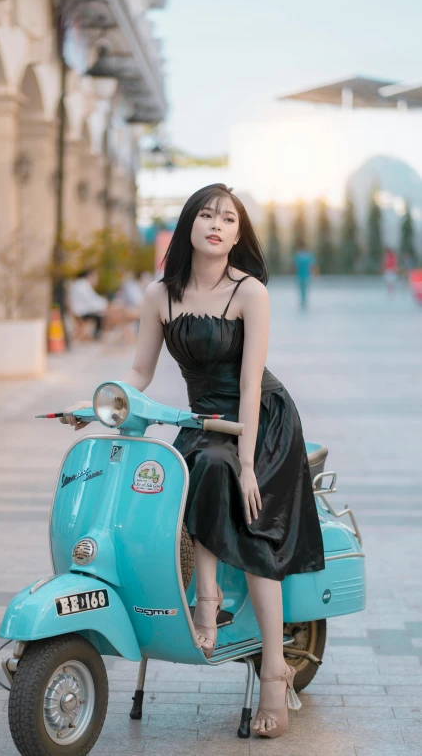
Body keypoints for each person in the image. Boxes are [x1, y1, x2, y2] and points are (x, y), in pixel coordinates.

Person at [64, 184, 324, 739]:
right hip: (204, 424)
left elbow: (251, 383)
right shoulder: (160, 296)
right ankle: (205, 603)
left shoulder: (250, 293)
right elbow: (137, 375)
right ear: (188, 225)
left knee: (236, 498)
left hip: (262, 422)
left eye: (228, 219)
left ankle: (269, 667)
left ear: (238, 233)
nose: (216, 224)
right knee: (183, 470)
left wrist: (250, 463)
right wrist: (91, 407)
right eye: (206, 214)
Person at [67, 269, 108, 340]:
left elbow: (94, 299)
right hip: (81, 312)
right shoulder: (83, 286)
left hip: (80, 311)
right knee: (105, 316)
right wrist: (105, 305)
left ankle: (95, 336)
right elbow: (92, 301)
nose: (96, 279)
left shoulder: (80, 284)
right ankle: (96, 337)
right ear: (89, 276)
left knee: (104, 314)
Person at [293, 241, 315, 310]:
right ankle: (303, 301)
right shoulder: (308, 256)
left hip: (303, 275)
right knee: (303, 289)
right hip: (303, 275)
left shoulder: (300, 256)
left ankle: (303, 302)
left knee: (303, 289)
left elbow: (296, 266)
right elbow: (311, 266)